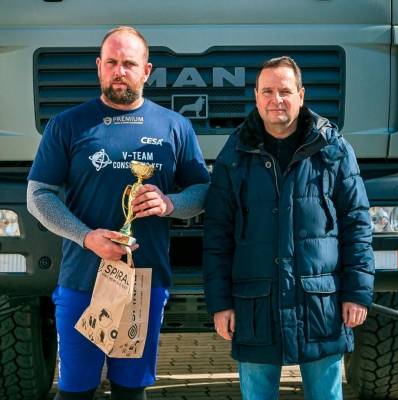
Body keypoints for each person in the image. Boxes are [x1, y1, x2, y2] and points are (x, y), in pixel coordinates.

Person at [27, 26, 209, 400]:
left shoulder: (175, 126)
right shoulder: (68, 124)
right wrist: (86, 237)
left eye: (129, 63)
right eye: (111, 62)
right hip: (82, 281)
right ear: (99, 67)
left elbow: (204, 191)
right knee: (75, 391)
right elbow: (38, 195)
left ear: (146, 70)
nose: (119, 71)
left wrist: (170, 204)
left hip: (143, 282)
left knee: (130, 391)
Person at [202, 56, 374, 400]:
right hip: (255, 308)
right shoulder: (234, 154)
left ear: (301, 95)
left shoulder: (332, 149)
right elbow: (217, 236)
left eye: (284, 91)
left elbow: (357, 226)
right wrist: (220, 304)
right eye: (267, 91)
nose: (276, 99)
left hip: (321, 306)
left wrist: (357, 293)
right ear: (256, 96)